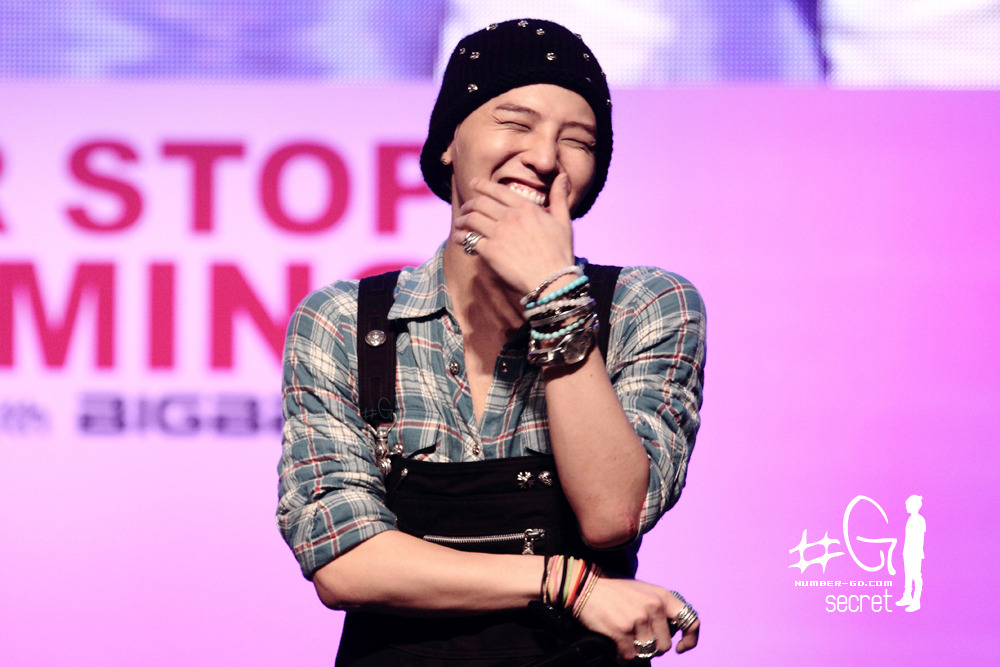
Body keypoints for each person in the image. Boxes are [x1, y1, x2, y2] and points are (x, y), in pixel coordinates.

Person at [277, 18, 706, 665]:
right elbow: (344, 560)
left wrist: (555, 294)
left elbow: (611, 515)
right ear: (451, 141)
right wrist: (571, 586)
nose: (544, 157)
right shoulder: (343, 320)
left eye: (577, 139)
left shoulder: (646, 304)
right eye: (516, 122)